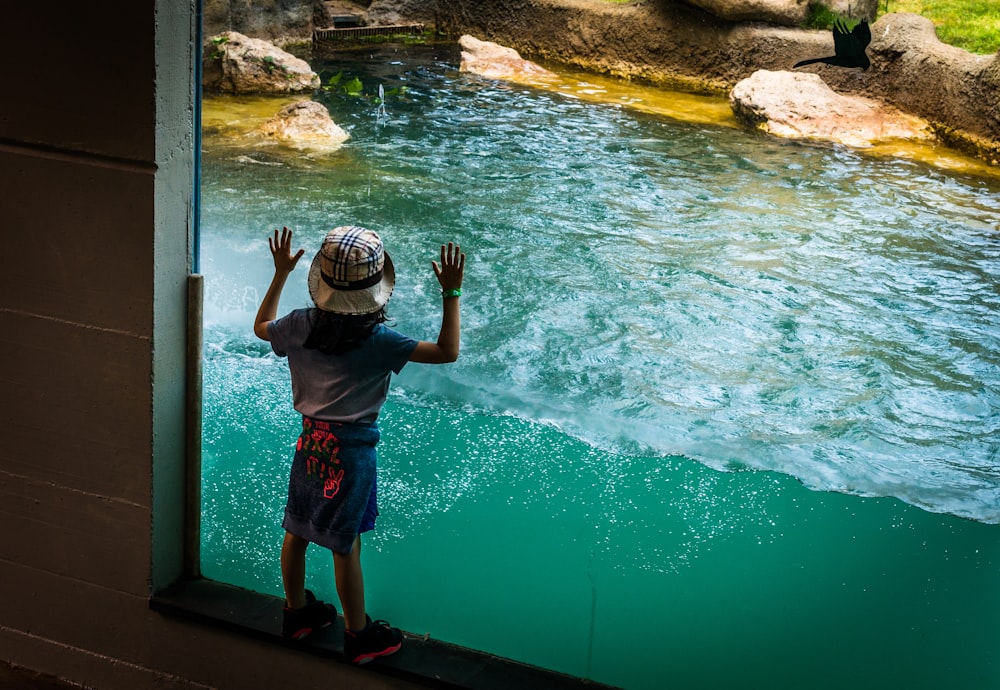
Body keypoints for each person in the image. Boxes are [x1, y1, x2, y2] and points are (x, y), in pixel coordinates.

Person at [253, 225, 465, 664]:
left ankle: (297, 613)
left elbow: (260, 327)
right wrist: (451, 292)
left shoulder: (298, 324)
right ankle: (358, 634)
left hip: (310, 444)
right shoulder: (380, 341)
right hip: (351, 453)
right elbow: (447, 352)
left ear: (322, 283)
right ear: (377, 291)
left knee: (296, 529)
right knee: (344, 544)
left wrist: (279, 274)